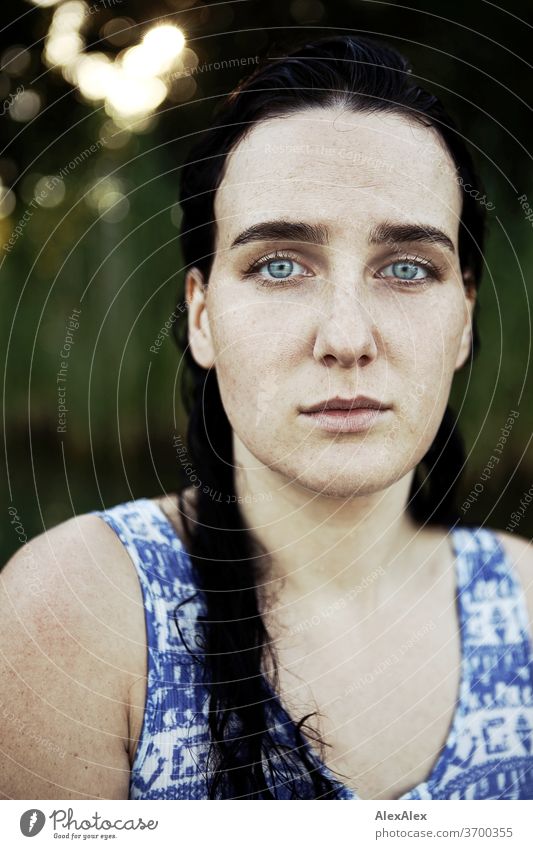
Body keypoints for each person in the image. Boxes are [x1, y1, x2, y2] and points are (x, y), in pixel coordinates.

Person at [1, 34, 532, 802]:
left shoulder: (522, 608)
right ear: (203, 315)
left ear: (462, 321)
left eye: (408, 267)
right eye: (279, 265)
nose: (346, 339)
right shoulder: (80, 611)